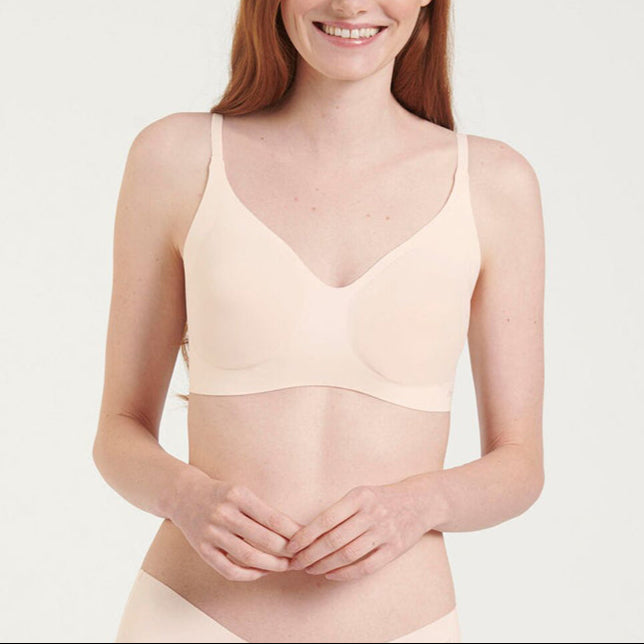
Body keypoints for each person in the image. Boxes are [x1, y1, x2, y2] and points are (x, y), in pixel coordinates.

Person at [92, 0, 545, 642]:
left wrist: (422, 504)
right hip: (192, 618)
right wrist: (184, 497)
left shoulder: (495, 185)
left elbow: (520, 464)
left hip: (404, 625)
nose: (349, 5)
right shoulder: (176, 159)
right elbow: (118, 430)